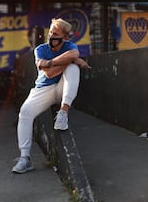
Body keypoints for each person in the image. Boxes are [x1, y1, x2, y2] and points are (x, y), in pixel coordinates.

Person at [12, 18, 91, 174]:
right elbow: (48, 73)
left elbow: (74, 53)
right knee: (25, 113)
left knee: (73, 69)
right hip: (43, 89)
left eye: (55, 34)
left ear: (65, 37)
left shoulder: (70, 46)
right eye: (50, 32)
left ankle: (63, 112)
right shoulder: (40, 49)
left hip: (63, 88)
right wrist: (70, 60)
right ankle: (24, 158)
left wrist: (58, 61)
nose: (51, 36)